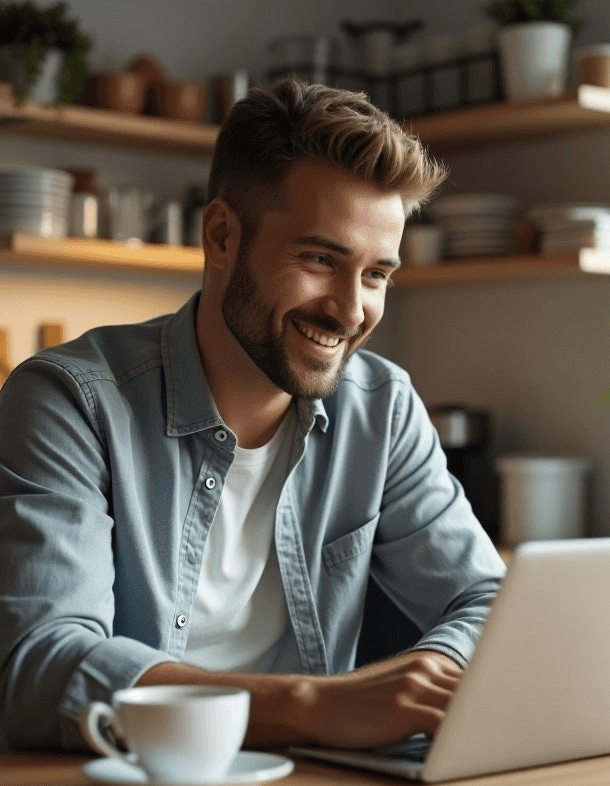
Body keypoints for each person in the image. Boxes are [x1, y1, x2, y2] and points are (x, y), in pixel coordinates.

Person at [0, 79, 506, 751]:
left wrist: (430, 679)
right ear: (220, 236)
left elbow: (485, 600)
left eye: (377, 274)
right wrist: (313, 706)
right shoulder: (69, 403)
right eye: (321, 259)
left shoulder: (382, 411)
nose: (351, 311)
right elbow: (39, 667)